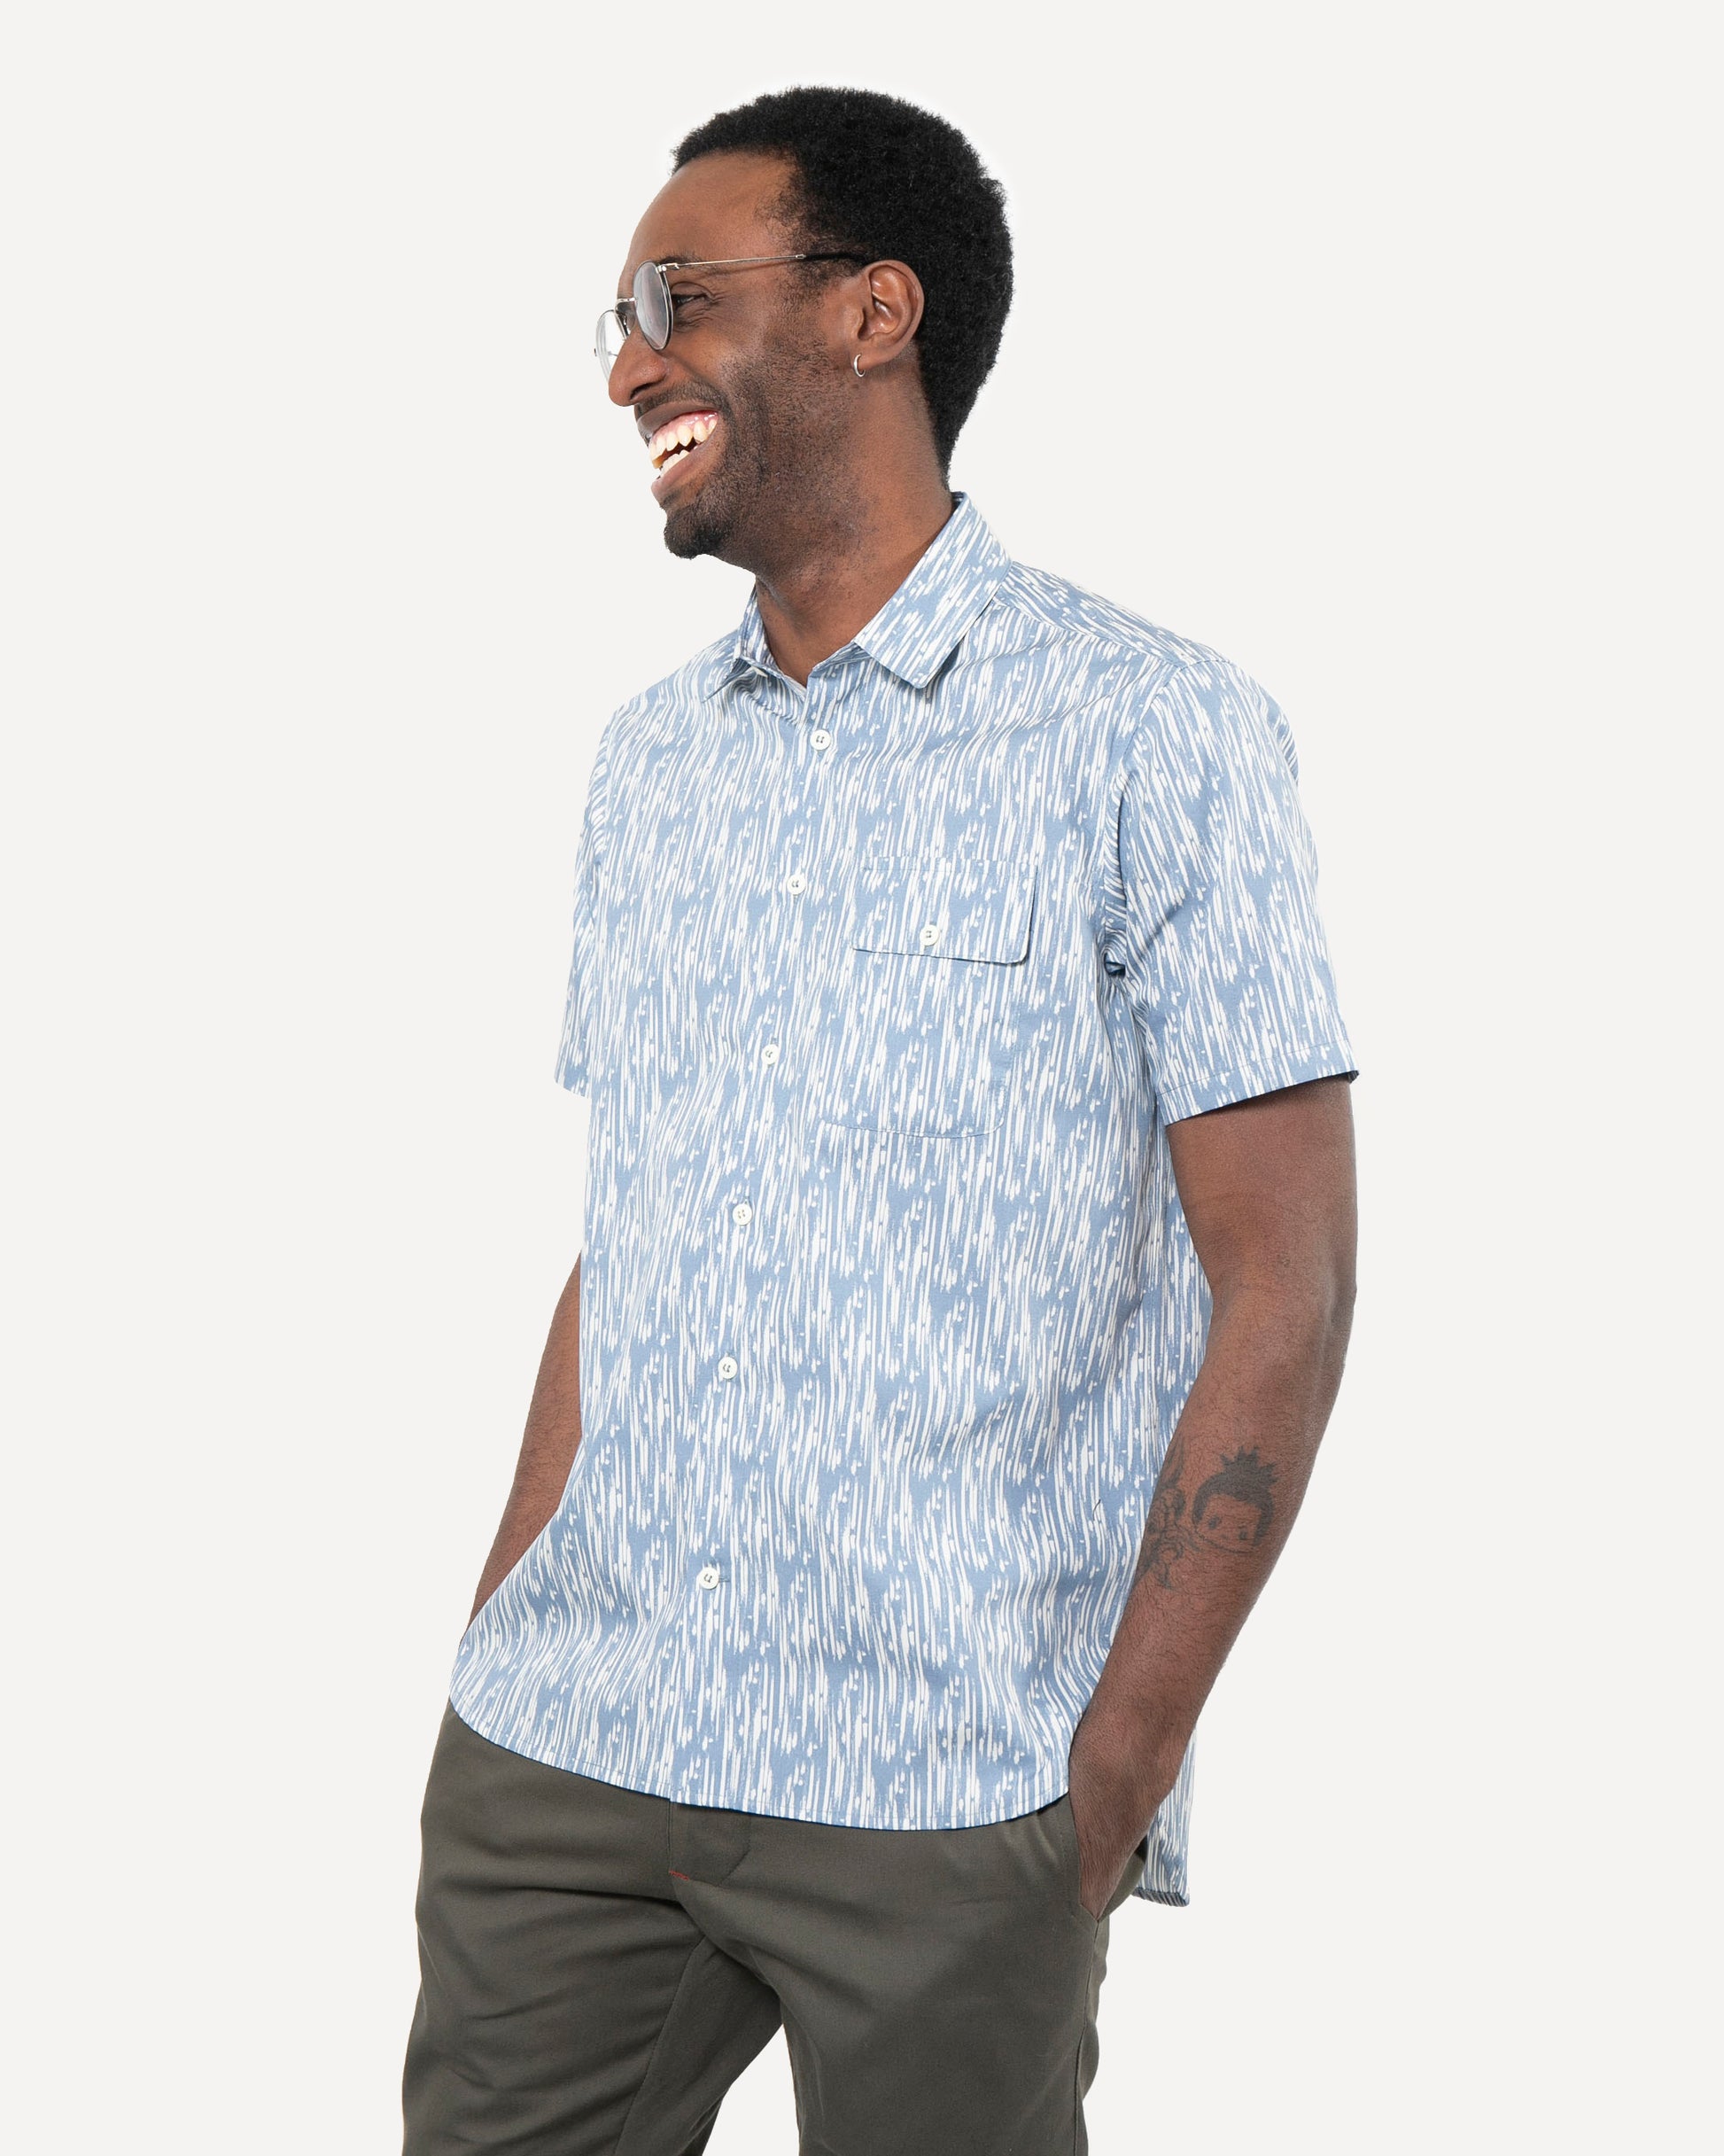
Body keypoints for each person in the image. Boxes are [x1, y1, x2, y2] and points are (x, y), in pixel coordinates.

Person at [402, 84, 1358, 2156]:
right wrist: (506, 1609)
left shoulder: (1155, 731)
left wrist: (1114, 1760)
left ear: (872, 311)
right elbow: (632, 1229)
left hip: (949, 1786)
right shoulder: (646, 765)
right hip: (569, 1755)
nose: (630, 362)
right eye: (615, 320)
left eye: (679, 296)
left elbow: (1281, 1276)